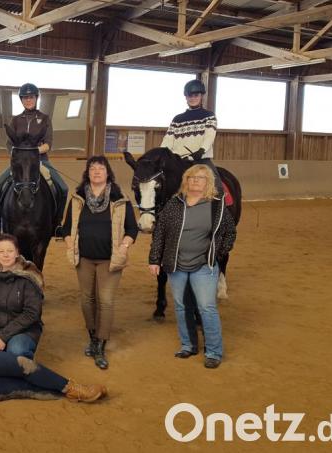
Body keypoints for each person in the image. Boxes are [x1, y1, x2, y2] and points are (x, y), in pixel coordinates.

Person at [148, 164, 236, 369]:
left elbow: (230, 232)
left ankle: (213, 351)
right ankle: (188, 345)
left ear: (208, 183)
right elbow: (160, 232)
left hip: (204, 265)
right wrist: (154, 259)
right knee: (181, 307)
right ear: (186, 181)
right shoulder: (174, 204)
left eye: (200, 178)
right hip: (176, 264)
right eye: (191, 177)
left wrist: (217, 252)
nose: (195, 181)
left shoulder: (216, 206)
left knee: (207, 307)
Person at [62, 156, 138, 370]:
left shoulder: (120, 199)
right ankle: (93, 336)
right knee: (87, 300)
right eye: (92, 168)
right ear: (87, 173)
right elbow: (66, 228)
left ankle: (101, 344)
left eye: (101, 168)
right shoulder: (77, 198)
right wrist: (70, 244)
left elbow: (132, 228)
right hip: (84, 258)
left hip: (110, 260)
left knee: (105, 300)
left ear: (108, 173)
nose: (96, 172)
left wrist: (124, 246)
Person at [0, 83, 68, 237]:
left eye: (31, 97)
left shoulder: (44, 119)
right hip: (19, 163)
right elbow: (9, 144)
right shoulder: (16, 120)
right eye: (25, 97)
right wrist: (18, 155)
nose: (28, 100)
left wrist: (32, 152)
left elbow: (48, 144)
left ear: (36, 98)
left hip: (40, 161)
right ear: (22, 100)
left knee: (63, 188)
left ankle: (57, 224)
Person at [0, 234, 44, 359]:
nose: (5, 255)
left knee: (16, 350)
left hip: (23, 331)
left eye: (10, 251)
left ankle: (25, 372)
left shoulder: (29, 276)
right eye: (1, 251)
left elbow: (32, 313)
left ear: (17, 253)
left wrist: (3, 337)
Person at [161, 79, 222, 195]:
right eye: (190, 96)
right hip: (179, 161)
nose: (193, 98)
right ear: (186, 97)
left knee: (218, 187)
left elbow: (209, 135)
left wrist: (201, 150)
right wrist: (162, 153)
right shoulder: (177, 119)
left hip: (201, 159)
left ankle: (221, 208)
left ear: (201, 96)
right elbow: (168, 139)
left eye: (196, 95)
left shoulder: (209, 116)